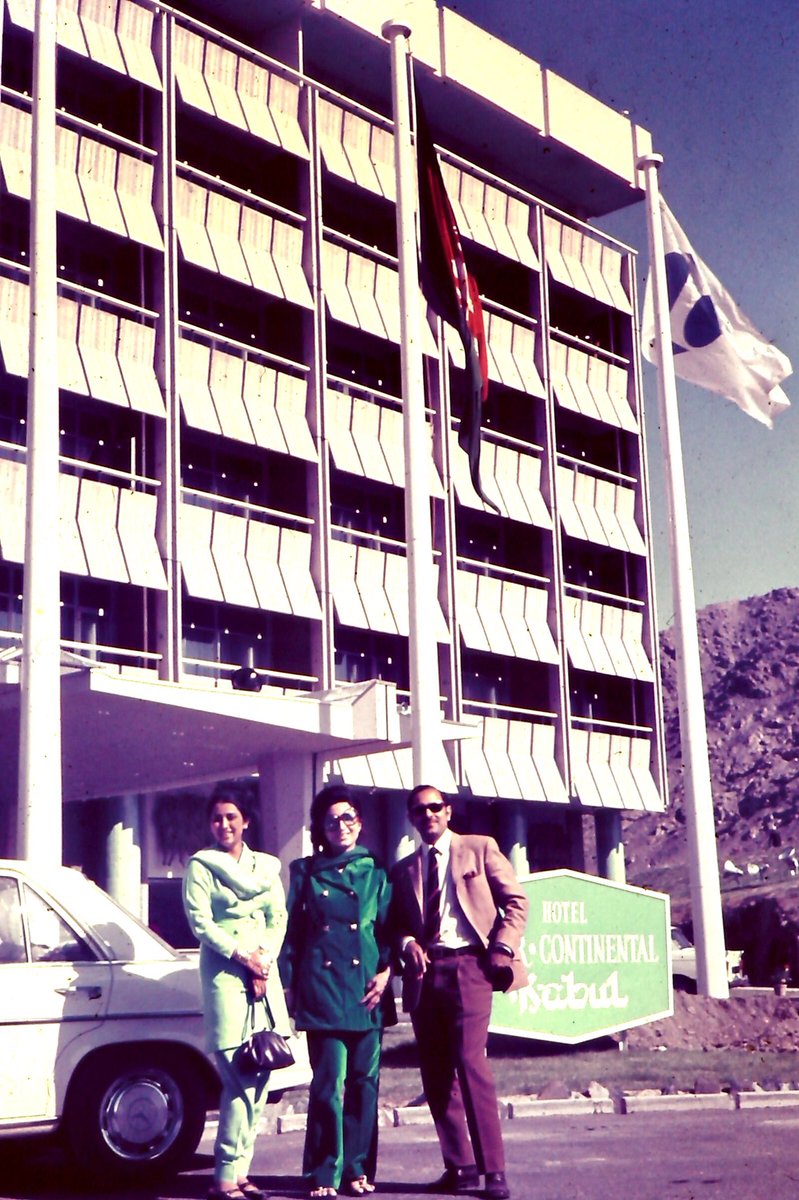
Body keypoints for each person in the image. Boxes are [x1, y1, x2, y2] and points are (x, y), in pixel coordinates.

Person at [388, 785, 528, 1200]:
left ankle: (494, 1172)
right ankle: (460, 1167)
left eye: (435, 807)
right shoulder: (404, 869)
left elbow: (516, 901)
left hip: (470, 965)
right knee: (434, 1072)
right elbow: (396, 924)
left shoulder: (479, 848)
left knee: (470, 1063)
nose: (428, 815)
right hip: (425, 973)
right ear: (412, 819)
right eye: (419, 811)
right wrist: (406, 944)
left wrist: (502, 947)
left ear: (447, 811)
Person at [279, 785, 396, 1198]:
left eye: (348, 818)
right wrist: (289, 987)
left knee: (365, 1082)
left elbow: (389, 932)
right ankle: (324, 1172)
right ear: (321, 829)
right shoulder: (304, 872)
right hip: (323, 988)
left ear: (360, 823)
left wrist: (387, 974)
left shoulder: (376, 871)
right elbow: (290, 935)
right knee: (329, 1083)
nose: (341, 826)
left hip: (368, 989)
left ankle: (358, 1169)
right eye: (332, 820)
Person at [183, 787, 287, 1200]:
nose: (224, 825)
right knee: (237, 1077)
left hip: (263, 973)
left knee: (260, 1077)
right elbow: (200, 922)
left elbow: (276, 916)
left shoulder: (267, 868)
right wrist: (243, 956)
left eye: (231, 817)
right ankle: (224, 1176)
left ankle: (242, 1172)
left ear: (246, 821)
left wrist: (264, 959)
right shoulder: (201, 866)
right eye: (217, 818)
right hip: (226, 975)